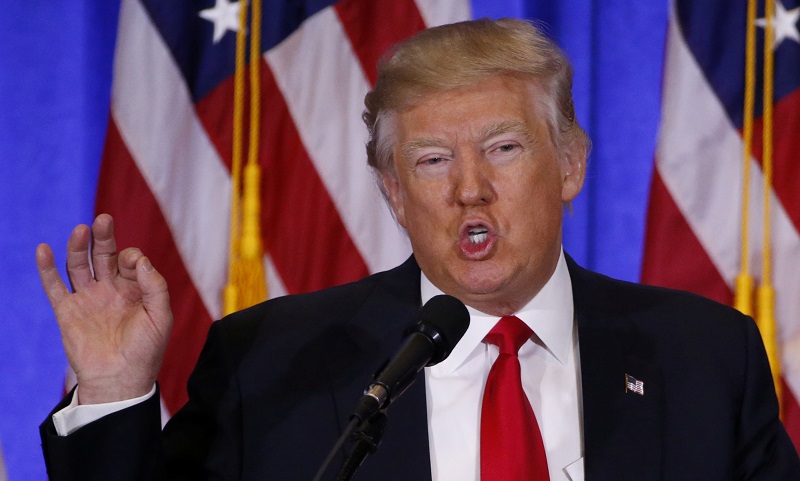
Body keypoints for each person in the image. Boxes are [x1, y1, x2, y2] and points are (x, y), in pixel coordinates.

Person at [37, 18, 800, 481]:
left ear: (570, 164)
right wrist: (112, 391)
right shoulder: (271, 361)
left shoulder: (705, 356)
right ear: (395, 193)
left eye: (503, 147)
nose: (470, 189)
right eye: (433, 160)